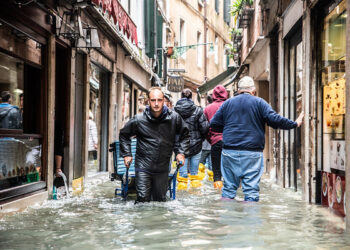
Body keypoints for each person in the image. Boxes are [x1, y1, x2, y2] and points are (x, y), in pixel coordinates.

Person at [210, 76, 304, 201]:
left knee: (228, 190)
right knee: (251, 191)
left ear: (238, 90)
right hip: (252, 153)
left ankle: (228, 218)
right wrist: (295, 123)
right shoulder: (260, 103)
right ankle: (250, 220)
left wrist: (231, 130)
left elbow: (214, 124)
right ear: (253, 91)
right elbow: (275, 120)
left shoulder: (227, 103)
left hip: (229, 152)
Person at [119, 87, 190, 202]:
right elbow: (124, 134)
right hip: (143, 166)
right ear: (148, 101)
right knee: (142, 199)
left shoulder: (174, 117)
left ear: (164, 101)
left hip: (162, 166)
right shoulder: (139, 119)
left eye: (159, 100)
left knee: (160, 200)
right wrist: (127, 154)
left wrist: (181, 153)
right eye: (153, 100)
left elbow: (185, 135)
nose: (156, 104)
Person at [175, 88, 209, 190]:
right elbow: (205, 128)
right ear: (191, 97)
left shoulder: (174, 110)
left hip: (180, 148)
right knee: (194, 175)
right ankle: (195, 193)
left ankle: (181, 196)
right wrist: (201, 139)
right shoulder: (198, 110)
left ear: (181, 97)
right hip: (196, 146)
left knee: (182, 175)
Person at [204, 85, 228, 189]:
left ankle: (218, 195)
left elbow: (205, 128)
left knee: (216, 173)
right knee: (229, 171)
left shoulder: (207, 108)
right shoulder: (229, 105)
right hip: (230, 142)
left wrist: (211, 140)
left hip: (215, 142)